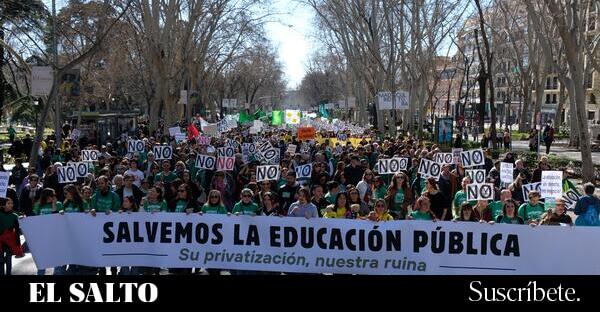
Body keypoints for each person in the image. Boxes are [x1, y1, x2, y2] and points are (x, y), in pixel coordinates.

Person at [0, 197, 23, 275]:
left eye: (12, 203)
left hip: (10, 240)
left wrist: (17, 242)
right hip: (0, 241)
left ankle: (9, 273)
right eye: (8, 203)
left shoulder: (14, 216)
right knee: (1, 261)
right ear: (3, 205)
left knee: (9, 260)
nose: (11, 205)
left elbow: (17, 230)